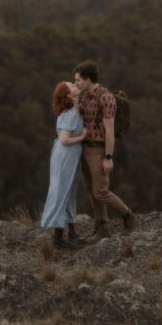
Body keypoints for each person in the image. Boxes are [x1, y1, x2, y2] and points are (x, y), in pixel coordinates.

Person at [73, 60, 135, 239]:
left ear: (87, 79)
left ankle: (128, 215)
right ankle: (101, 225)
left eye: (78, 80)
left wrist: (108, 156)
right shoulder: (85, 96)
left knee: (101, 191)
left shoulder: (105, 97)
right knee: (92, 189)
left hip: (99, 150)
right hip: (85, 148)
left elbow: (109, 129)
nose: (76, 83)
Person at [40, 81, 86, 249]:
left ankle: (71, 232)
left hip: (66, 156)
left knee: (69, 191)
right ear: (68, 94)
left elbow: (59, 133)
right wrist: (81, 137)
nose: (75, 84)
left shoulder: (70, 110)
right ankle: (58, 239)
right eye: (71, 85)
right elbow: (64, 139)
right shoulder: (71, 114)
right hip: (66, 156)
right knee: (63, 191)